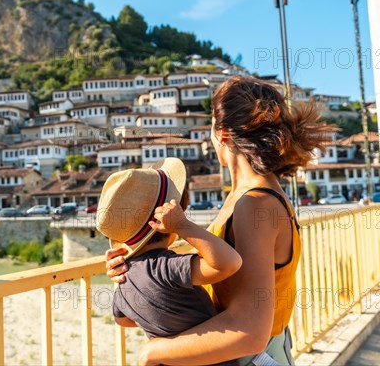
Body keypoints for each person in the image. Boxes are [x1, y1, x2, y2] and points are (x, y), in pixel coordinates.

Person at [106, 76, 329, 365]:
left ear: (222, 133)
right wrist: (137, 268)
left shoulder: (254, 204)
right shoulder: (251, 196)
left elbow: (250, 332)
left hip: (247, 358)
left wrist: (153, 352)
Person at [96, 159, 280, 365]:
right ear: (167, 226)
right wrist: (183, 226)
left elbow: (123, 319)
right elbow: (229, 263)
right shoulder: (166, 268)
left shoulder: (123, 283)